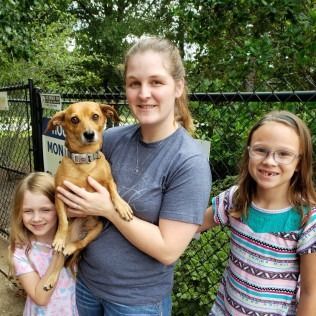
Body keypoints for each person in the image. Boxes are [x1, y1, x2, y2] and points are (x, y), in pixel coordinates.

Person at [56, 35, 212, 315]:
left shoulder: (189, 163)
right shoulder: (110, 139)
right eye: (134, 83)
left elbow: (168, 250)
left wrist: (108, 209)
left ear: (178, 87)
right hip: (87, 285)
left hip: (136, 302)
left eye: (156, 82)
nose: (143, 93)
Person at [199, 110, 316, 315]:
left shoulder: (308, 220)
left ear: (299, 162)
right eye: (261, 150)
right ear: (249, 152)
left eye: (284, 153)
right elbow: (191, 224)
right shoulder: (235, 199)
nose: (269, 161)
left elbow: (310, 292)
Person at [8, 172, 78, 316]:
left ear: (59, 208)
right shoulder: (21, 251)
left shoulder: (77, 238)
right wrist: (59, 255)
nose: (36, 218)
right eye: (28, 211)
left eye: (45, 210)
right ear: (19, 213)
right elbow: (41, 297)